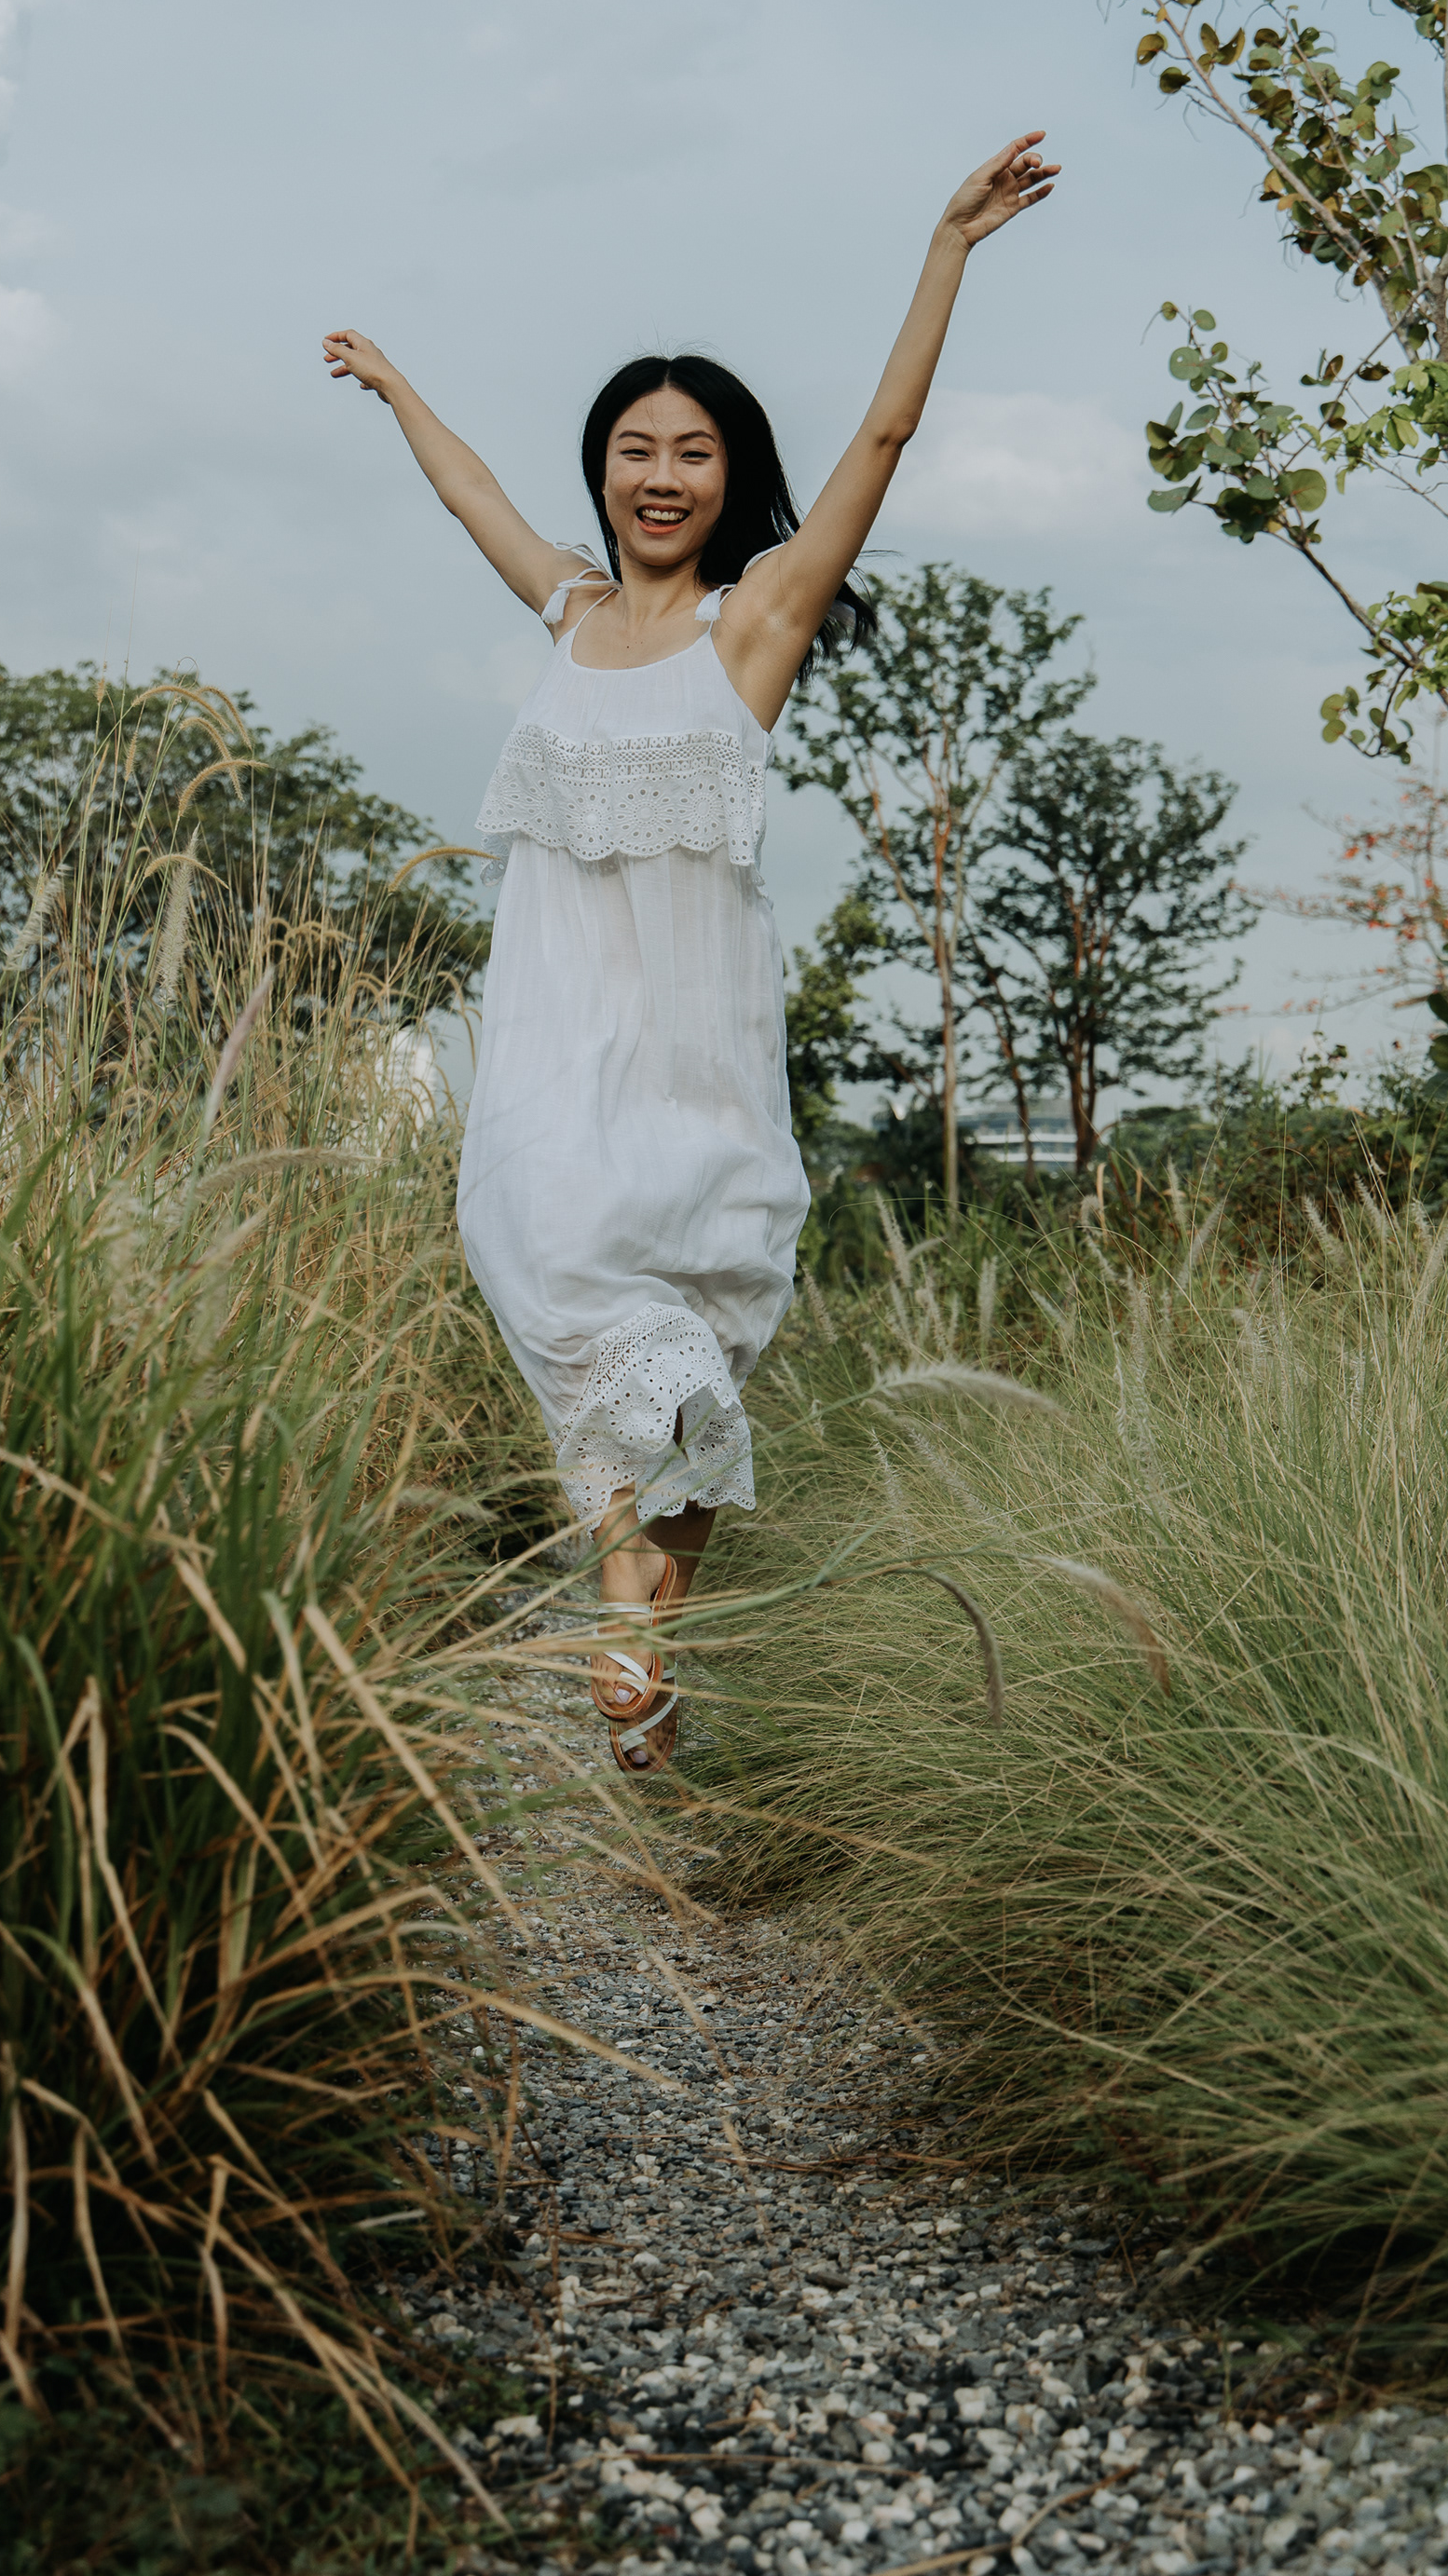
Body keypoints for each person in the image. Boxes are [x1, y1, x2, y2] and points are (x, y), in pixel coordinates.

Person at [323, 132, 1059, 1773]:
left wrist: (946, 247)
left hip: (698, 1051)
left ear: (732, 480)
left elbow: (885, 430)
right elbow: (474, 501)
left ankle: (655, 1645)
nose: (662, 475)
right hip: (551, 1044)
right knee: (579, 1293)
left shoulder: (760, 620)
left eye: (696, 453)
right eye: (636, 451)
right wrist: (394, 385)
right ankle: (630, 1618)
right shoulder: (572, 611)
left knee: (697, 1358)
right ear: (604, 471)